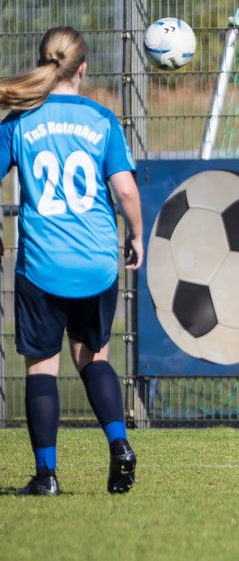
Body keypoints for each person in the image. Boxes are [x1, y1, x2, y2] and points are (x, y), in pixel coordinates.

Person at [0, 26, 144, 496]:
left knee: (42, 368)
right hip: (97, 263)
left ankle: (46, 477)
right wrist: (137, 235)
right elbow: (124, 190)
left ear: (44, 62)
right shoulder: (102, 120)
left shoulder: (18, 121)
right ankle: (120, 446)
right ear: (83, 69)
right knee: (93, 358)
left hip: (42, 265)